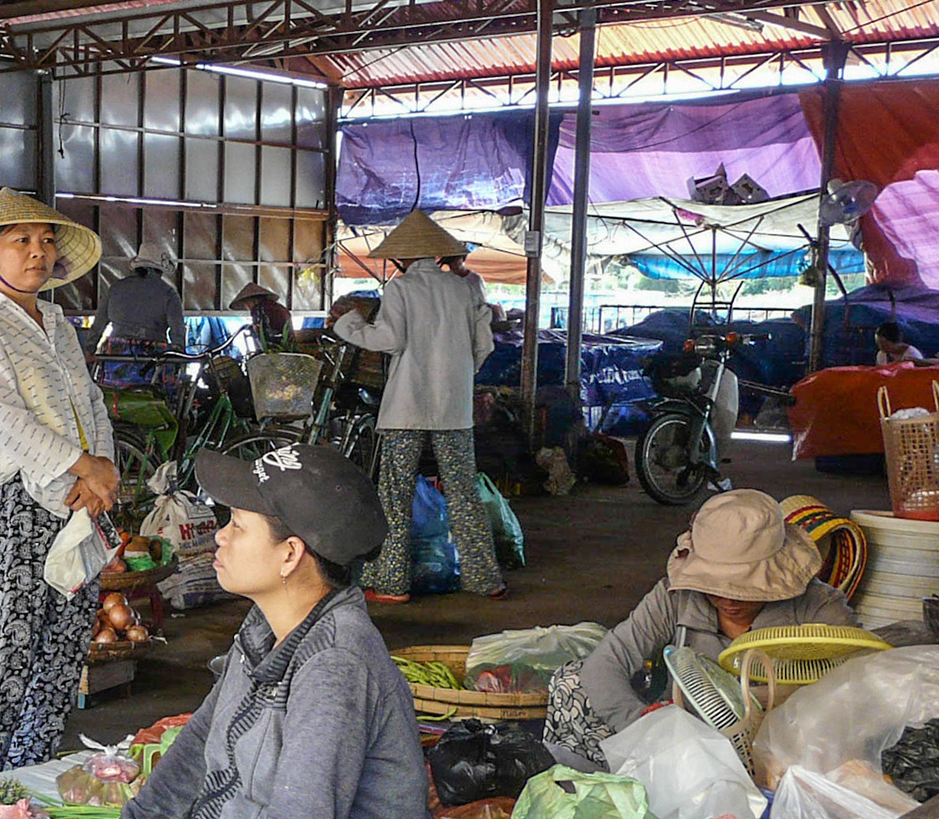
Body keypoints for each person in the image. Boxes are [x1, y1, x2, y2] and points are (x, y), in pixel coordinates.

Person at [33, 445, 438, 819]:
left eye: (238, 526)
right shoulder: (268, 624)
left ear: (290, 555)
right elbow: (197, 747)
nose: (219, 537)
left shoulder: (336, 666)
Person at [0, 189, 114, 771]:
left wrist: (101, 473)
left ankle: (30, 781)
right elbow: (1, 417)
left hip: (77, 502)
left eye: (46, 240)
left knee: (62, 647)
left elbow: (89, 401)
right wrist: (84, 466)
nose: (38, 253)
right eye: (21, 242)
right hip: (14, 497)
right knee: (7, 648)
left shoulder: (56, 321)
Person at [545, 489, 856, 768]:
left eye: (745, 591)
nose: (729, 601)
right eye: (716, 588)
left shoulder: (819, 608)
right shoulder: (675, 598)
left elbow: (858, 690)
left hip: (775, 754)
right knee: (570, 683)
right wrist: (642, 725)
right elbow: (606, 662)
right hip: (675, 745)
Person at [331, 210, 504, 603]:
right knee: (463, 491)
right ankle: (485, 579)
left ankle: (393, 584)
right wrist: (458, 374)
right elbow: (485, 345)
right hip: (454, 407)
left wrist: (350, 324)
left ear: (401, 257)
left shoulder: (401, 288)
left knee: (396, 492)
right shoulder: (464, 289)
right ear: (440, 254)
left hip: (406, 406)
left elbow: (389, 339)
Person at [90, 240, 185, 390]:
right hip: (152, 361)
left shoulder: (116, 288)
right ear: (160, 270)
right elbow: (177, 332)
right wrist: (179, 361)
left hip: (115, 358)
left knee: (113, 400)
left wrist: (89, 350)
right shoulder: (169, 293)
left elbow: (98, 325)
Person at [229, 283, 292, 353]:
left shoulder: (259, 310)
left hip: (274, 351)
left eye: (246, 304)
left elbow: (259, 330)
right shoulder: (279, 307)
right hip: (289, 348)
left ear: (253, 301)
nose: (247, 307)